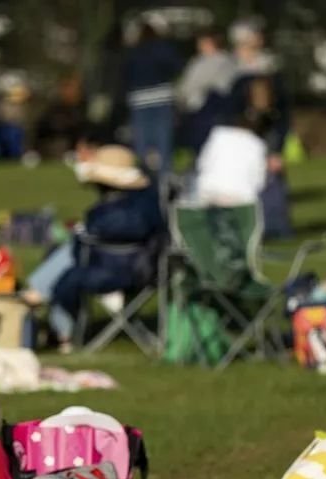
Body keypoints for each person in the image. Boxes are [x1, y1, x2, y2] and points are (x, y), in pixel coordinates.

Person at [31, 145, 165, 351]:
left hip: (120, 271)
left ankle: (58, 326)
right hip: (144, 267)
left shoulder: (113, 214)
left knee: (69, 262)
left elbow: (84, 246)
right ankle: (43, 302)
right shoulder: (146, 202)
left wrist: (81, 234)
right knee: (66, 252)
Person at [226, 18, 293, 238]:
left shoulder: (270, 69)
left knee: (271, 180)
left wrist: (278, 148)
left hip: (268, 132)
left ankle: (274, 226)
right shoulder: (232, 71)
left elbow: (283, 111)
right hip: (241, 135)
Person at [121, 18, 183, 178]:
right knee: (163, 144)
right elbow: (177, 67)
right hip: (161, 98)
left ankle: (144, 178)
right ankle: (165, 178)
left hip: (140, 101)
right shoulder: (163, 49)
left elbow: (125, 76)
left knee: (142, 144)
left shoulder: (133, 52)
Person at [176, 28, 237, 154]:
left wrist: (181, 94)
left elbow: (193, 83)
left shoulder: (219, 61)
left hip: (208, 109)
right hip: (196, 108)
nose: (199, 45)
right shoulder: (202, 61)